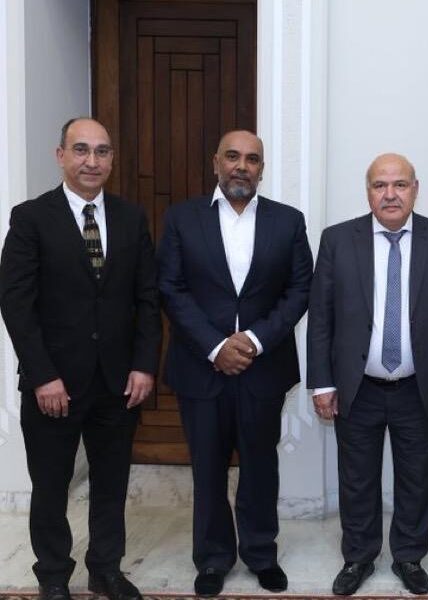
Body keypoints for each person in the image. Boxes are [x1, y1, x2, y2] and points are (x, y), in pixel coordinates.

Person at [0, 118, 161, 600]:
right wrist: (43, 375)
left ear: (112, 159)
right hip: (54, 384)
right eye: (82, 150)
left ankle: (106, 569)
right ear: (61, 155)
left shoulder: (131, 218)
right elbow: (16, 302)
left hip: (118, 382)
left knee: (111, 484)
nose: (93, 161)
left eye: (102, 151)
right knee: (51, 486)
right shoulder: (31, 218)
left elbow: (147, 298)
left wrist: (144, 364)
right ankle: (53, 574)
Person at [156, 130, 312, 597]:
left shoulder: (288, 221)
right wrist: (215, 346)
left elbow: (300, 289)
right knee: (207, 467)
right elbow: (170, 288)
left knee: (261, 466)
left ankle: (262, 554)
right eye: (232, 157)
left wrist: (255, 340)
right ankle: (212, 558)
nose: (242, 166)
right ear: (216, 163)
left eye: (252, 159)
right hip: (200, 366)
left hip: (263, 367)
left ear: (262, 168)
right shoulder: (182, 219)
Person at [306, 153, 428, 596]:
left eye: (399, 185)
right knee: (357, 478)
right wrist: (323, 382)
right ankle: (358, 557)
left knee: (418, 477)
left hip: (419, 386)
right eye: (380, 185)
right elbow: (321, 318)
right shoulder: (338, 240)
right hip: (357, 387)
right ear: (368, 191)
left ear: (415, 189)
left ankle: (409, 556)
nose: (390, 194)